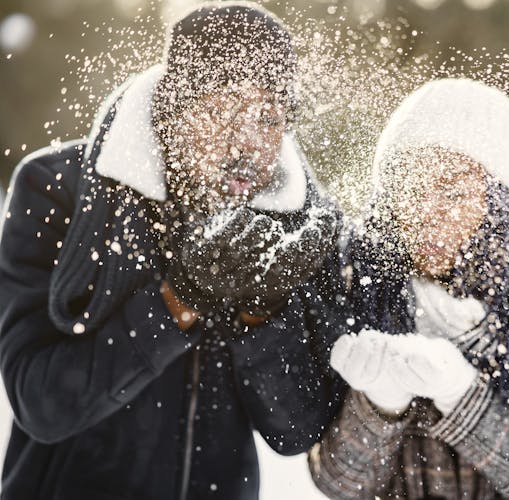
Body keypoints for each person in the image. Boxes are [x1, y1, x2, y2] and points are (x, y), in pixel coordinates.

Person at [0, 3, 347, 499]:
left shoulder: (290, 230)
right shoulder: (59, 189)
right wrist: (177, 300)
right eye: (221, 108)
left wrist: (260, 313)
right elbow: (42, 404)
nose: (244, 142)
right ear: (171, 104)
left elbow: (296, 432)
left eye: (268, 117)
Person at [308, 79, 509, 499]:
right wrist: (380, 405)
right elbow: (335, 483)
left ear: (500, 198)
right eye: (409, 187)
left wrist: (461, 394)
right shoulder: (359, 274)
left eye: (451, 190)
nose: (425, 213)